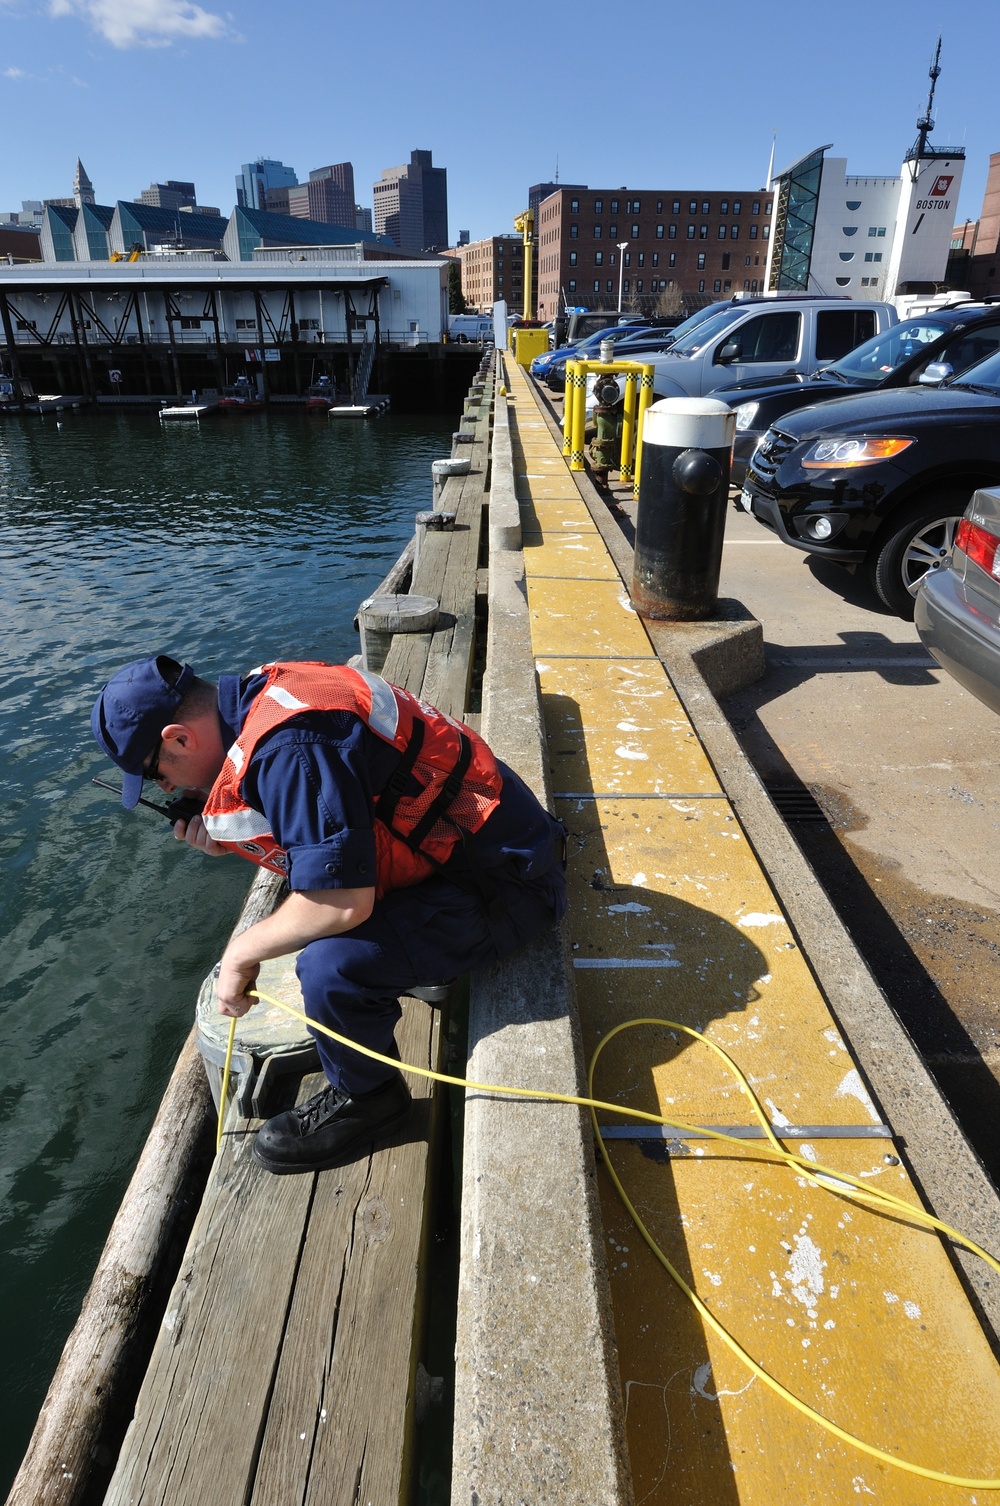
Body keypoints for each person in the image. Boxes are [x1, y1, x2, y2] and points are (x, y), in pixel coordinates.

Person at [91, 655, 566, 1174]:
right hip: (500, 844)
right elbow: (334, 810)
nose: (165, 788)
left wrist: (239, 954)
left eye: (153, 771)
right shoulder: (275, 690)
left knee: (327, 966)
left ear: (180, 738)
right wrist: (233, 837)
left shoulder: (290, 749)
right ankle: (421, 961)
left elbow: (341, 902)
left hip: (509, 889)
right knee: (330, 910)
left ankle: (370, 1100)